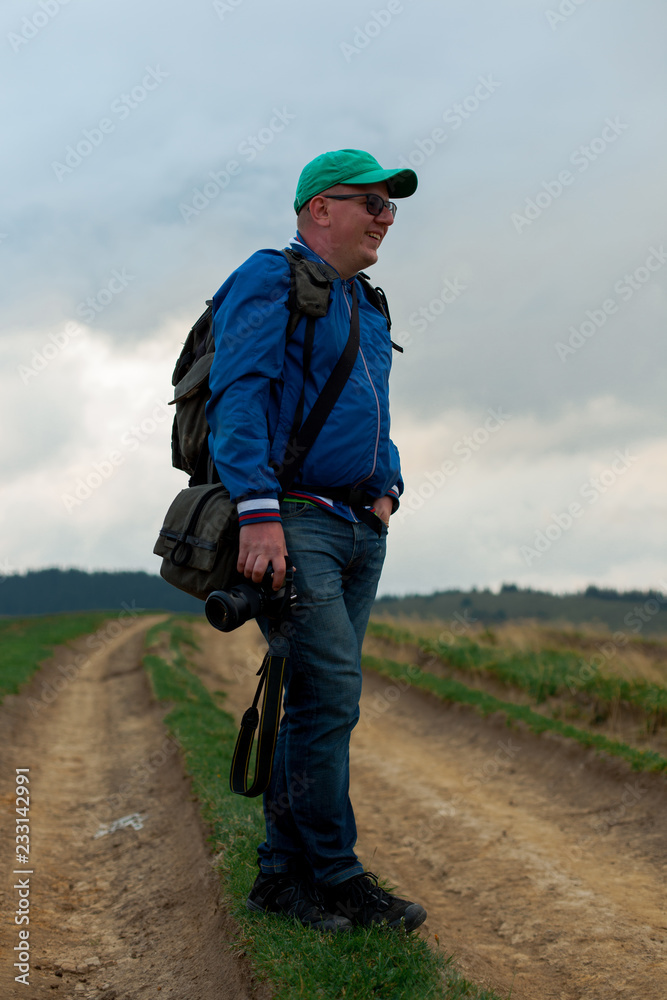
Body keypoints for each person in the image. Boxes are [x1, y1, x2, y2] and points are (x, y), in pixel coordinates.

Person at [205, 149, 426, 933]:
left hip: (357, 527)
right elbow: (241, 395)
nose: (384, 217)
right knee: (330, 699)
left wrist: (386, 487)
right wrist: (259, 514)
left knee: (314, 704)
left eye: (390, 206)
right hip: (294, 522)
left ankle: (282, 878)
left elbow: (374, 413)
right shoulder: (271, 277)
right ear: (317, 209)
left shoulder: (364, 300)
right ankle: (335, 876)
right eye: (370, 202)